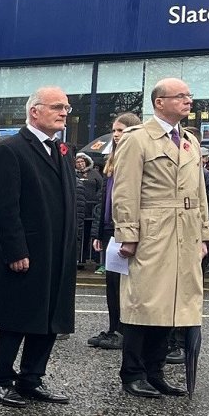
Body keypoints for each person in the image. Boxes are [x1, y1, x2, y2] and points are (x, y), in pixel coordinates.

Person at [112, 78, 209, 397]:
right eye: (180, 96)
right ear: (159, 103)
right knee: (144, 302)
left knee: (174, 305)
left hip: (185, 231)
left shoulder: (190, 141)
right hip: (153, 230)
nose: (187, 101)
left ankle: (155, 371)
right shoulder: (137, 138)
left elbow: (199, 191)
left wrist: (204, 232)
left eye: (188, 96)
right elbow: (124, 190)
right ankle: (133, 372)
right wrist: (127, 233)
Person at [0, 87, 76, 408]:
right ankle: (1, 381)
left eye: (66, 107)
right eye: (58, 107)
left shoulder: (63, 149)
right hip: (26, 251)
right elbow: (4, 207)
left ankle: (32, 379)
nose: (65, 112)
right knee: (17, 317)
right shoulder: (11, 149)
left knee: (49, 316)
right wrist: (15, 250)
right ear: (35, 111)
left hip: (56, 250)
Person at [88, 112, 142, 351]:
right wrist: (99, 233)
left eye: (121, 130)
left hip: (126, 230)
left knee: (125, 285)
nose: (116, 135)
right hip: (110, 229)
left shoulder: (135, 157)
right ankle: (113, 328)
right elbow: (105, 200)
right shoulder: (112, 159)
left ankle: (124, 331)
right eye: (115, 130)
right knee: (111, 283)